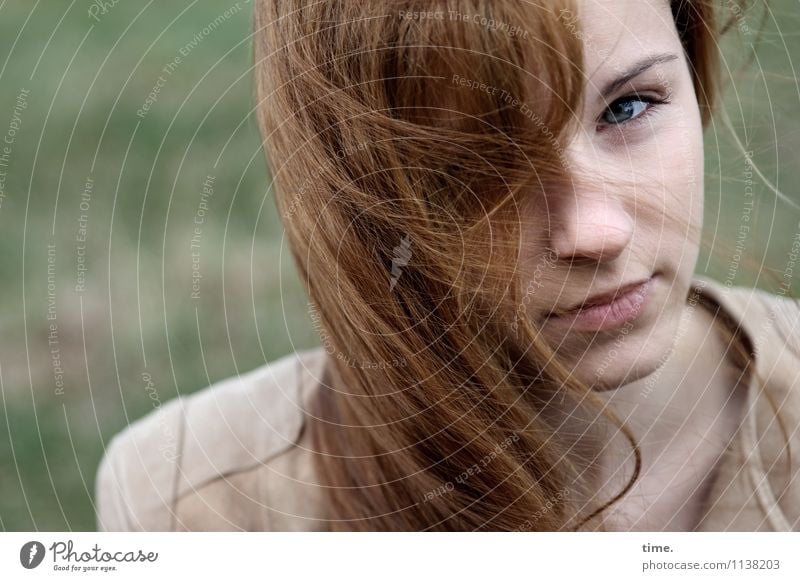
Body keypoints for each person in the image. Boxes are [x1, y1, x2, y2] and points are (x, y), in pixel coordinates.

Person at [95, 0, 800, 531]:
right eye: (476, 164)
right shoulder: (186, 497)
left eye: (629, 106)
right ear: (355, 192)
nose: (594, 231)